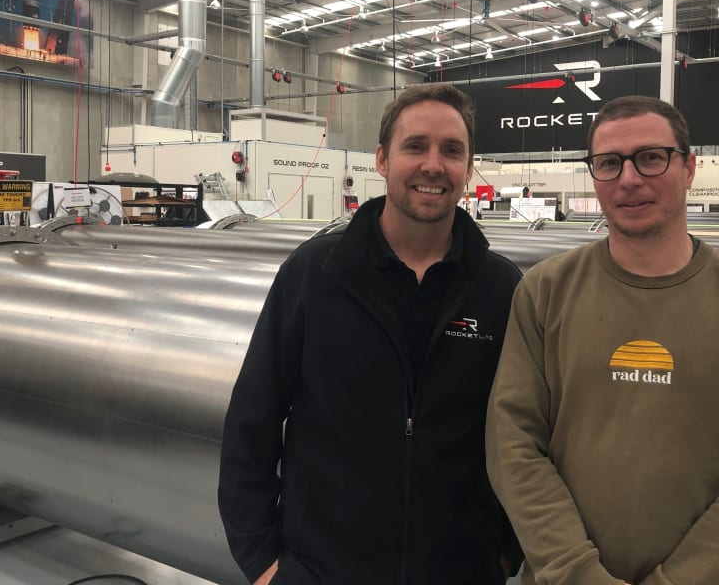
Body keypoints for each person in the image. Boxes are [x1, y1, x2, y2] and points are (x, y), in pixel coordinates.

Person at [485, 95, 719, 585]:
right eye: (609, 163)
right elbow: (513, 444)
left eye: (651, 157)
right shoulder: (545, 291)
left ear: (689, 167)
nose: (629, 179)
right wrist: (578, 573)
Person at [219, 83, 523, 585]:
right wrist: (265, 563)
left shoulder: (501, 289)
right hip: (323, 571)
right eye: (414, 146)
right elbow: (252, 420)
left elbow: (529, 433)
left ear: (469, 169)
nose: (433, 165)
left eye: (452, 151)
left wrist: (505, 554)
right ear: (381, 160)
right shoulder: (315, 275)